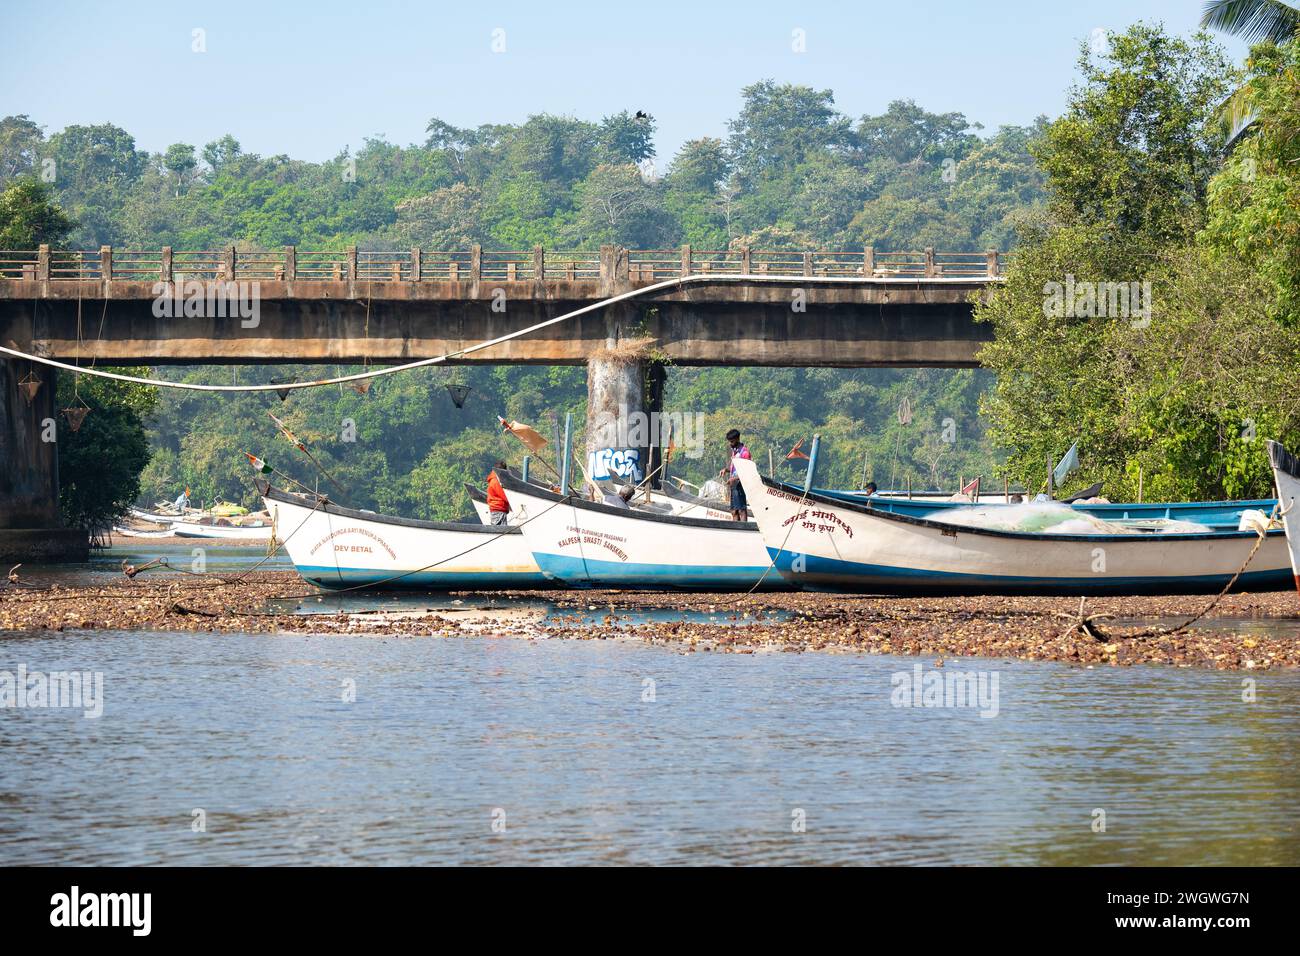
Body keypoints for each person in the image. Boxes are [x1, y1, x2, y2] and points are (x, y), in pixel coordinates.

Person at [719, 429, 751, 521]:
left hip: (740, 485)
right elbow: (735, 470)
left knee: (741, 510)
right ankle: (735, 530)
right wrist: (726, 470)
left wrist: (735, 479)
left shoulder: (744, 453)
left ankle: (744, 530)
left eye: (732, 441)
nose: (730, 444)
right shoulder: (735, 452)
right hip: (733, 485)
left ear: (738, 439)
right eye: (729, 441)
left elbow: (747, 472)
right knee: (734, 511)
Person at [486, 461, 511, 525]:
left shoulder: (494, 479)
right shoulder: (495, 481)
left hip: (497, 509)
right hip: (498, 509)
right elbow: (504, 495)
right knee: (501, 530)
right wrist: (512, 502)